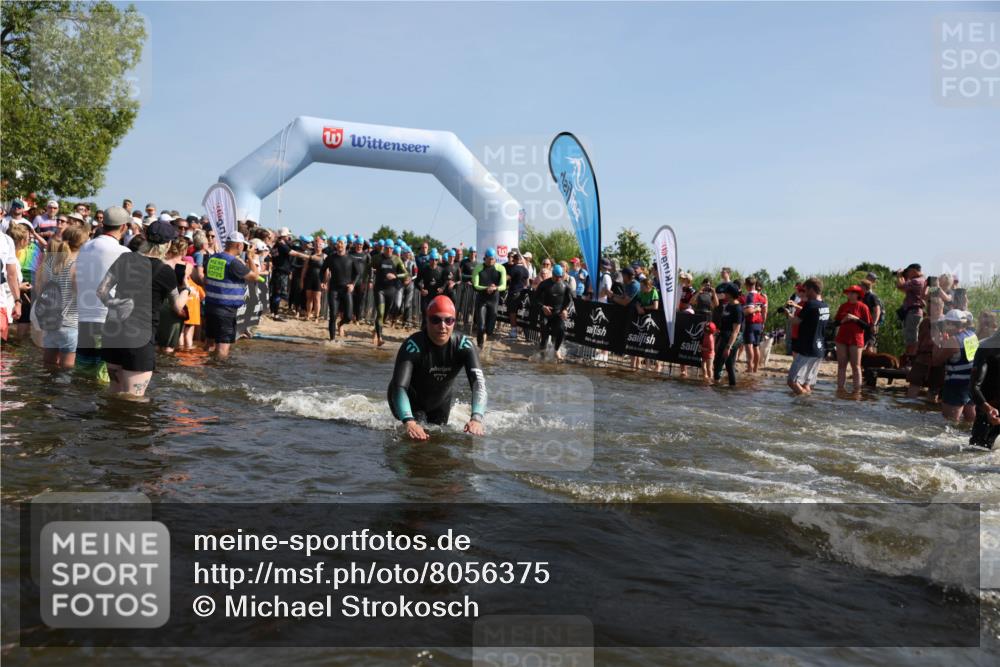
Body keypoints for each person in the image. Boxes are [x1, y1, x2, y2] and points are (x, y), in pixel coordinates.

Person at [97, 220, 186, 397]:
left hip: (113, 332)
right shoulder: (165, 271)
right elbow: (177, 307)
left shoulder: (124, 259)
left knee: (114, 393)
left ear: (145, 238)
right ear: (167, 244)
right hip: (139, 338)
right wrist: (187, 290)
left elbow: (101, 291)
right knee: (133, 400)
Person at [387, 295, 487, 441]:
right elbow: (399, 387)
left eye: (448, 320)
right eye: (435, 320)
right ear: (426, 320)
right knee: (413, 442)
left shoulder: (464, 346)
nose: (442, 326)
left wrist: (476, 419)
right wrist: (409, 421)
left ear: (454, 322)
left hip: (440, 402)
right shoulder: (413, 346)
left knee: (438, 441)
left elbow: (479, 384)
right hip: (408, 399)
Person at [203, 231, 262, 359]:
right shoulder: (234, 263)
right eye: (243, 246)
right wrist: (251, 257)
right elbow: (255, 276)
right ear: (238, 245)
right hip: (226, 310)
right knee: (222, 349)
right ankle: (218, 374)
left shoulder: (213, 258)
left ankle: (204, 369)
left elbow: (205, 280)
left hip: (210, 306)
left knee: (209, 344)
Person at [35, 225, 87, 368]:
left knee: (48, 367)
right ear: (82, 245)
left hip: (50, 323)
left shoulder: (50, 263)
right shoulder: (77, 267)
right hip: (69, 324)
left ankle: (45, 390)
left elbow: (41, 290)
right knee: (66, 372)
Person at [932, 310, 978, 422]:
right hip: (971, 382)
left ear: (951, 324)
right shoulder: (972, 335)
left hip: (955, 385)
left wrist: (938, 341)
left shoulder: (953, 341)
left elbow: (935, 361)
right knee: (970, 421)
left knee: (950, 423)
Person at [787, 278, 830, 395]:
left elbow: (796, 321)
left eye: (806, 290)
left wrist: (788, 314)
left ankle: (804, 399)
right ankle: (807, 407)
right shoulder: (825, 306)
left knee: (792, 381)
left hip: (807, 349)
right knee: (806, 383)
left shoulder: (810, 305)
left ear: (812, 289)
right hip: (819, 350)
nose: (804, 293)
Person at [834, 285, 873, 393]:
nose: (850, 294)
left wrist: (855, 319)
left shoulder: (863, 307)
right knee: (841, 365)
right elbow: (836, 322)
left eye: (852, 292)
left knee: (856, 366)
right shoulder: (843, 306)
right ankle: (840, 389)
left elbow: (868, 325)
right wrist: (843, 320)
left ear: (858, 295)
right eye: (849, 292)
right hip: (842, 337)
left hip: (856, 339)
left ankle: (857, 391)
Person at [321, 237, 360, 341]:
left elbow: (357, 274)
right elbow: (322, 270)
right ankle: (332, 339)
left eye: (341, 243)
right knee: (333, 315)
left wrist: (353, 284)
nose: (339, 245)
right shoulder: (331, 258)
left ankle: (340, 324)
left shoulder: (351, 258)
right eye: (338, 243)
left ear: (346, 245)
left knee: (348, 317)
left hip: (346, 290)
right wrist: (323, 282)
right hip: (334, 290)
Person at [534, 264, 573, 360]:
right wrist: (543, 307)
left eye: (560, 277)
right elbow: (535, 299)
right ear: (553, 274)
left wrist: (565, 309)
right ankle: (541, 356)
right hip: (546, 314)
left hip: (558, 314)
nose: (558, 279)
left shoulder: (565, 286)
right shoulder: (544, 284)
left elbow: (571, 300)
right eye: (556, 277)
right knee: (544, 337)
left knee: (561, 330)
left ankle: (556, 350)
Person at [969, 327, 1000, 449]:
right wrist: (988, 409)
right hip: (990, 411)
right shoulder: (986, 348)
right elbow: (973, 386)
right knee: (978, 450)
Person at [371, 241, 406, 347]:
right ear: (384, 248)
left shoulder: (396, 259)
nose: (389, 250)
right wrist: (368, 280)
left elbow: (406, 273)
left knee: (385, 315)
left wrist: (395, 276)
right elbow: (368, 267)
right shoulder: (377, 258)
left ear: (393, 249)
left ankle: (375, 330)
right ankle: (379, 337)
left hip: (391, 290)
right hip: (379, 289)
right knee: (380, 313)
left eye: (391, 248)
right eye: (387, 248)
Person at [472, 247, 507, 349]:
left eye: (493, 259)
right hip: (482, 299)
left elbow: (503, 285)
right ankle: (480, 347)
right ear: (485, 258)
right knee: (481, 326)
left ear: (495, 259)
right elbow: (475, 285)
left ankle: (484, 339)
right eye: (489, 258)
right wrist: (486, 288)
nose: (491, 261)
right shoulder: (479, 268)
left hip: (493, 300)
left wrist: (495, 288)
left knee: (490, 329)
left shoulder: (501, 268)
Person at [713, 282, 743, 386]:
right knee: (719, 362)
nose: (724, 294)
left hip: (732, 339)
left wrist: (728, 347)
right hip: (724, 335)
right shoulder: (728, 305)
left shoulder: (738, 309)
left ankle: (721, 387)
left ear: (730, 294)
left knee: (725, 363)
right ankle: (719, 387)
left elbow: (736, 330)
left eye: (725, 292)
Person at [895, 263, 926, 360]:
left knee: (912, 339)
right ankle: (910, 359)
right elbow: (904, 289)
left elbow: (900, 286)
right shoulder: (922, 281)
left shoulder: (916, 281)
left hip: (913, 313)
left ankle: (911, 361)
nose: (907, 274)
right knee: (911, 337)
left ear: (914, 271)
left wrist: (899, 275)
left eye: (908, 272)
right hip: (914, 312)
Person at [633, 275, 661, 371]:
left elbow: (655, 306)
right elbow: (637, 302)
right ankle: (641, 365)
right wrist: (638, 307)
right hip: (643, 319)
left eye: (642, 286)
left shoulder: (654, 292)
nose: (640, 288)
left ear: (648, 286)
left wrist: (644, 308)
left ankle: (657, 365)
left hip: (653, 320)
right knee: (642, 342)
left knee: (651, 344)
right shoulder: (641, 292)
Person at [740, 277, 767, 374]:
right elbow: (764, 312)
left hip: (750, 323)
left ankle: (750, 368)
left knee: (749, 346)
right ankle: (755, 368)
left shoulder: (750, 296)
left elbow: (749, 311)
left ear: (747, 285)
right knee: (756, 346)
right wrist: (763, 323)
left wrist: (743, 311)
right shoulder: (762, 297)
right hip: (759, 324)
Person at [179, 257, 204, 351]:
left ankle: (180, 350)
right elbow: (202, 296)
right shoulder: (195, 284)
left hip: (182, 312)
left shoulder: (179, 282)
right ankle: (188, 350)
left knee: (180, 333)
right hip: (193, 315)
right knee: (188, 335)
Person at [504, 251, 531, 340]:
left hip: (514, 293)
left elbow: (506, 278)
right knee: (520, 314)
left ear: (515, 260)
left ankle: (513, 333)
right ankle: (519, 333)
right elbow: (527, 283)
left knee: (512, 313)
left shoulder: (514, 268)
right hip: (522, 293)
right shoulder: (525, 269)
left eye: (513, 259)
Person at [860, 279, 883, 352]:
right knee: (866, 342)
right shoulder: (864, 296)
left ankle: (871, 360)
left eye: (861, 285)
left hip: (871, 324)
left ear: (864, 287)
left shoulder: (872, 296)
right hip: (865, 323)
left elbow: (877, 311)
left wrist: (874, 324)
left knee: (870, 343)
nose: (859, 287)